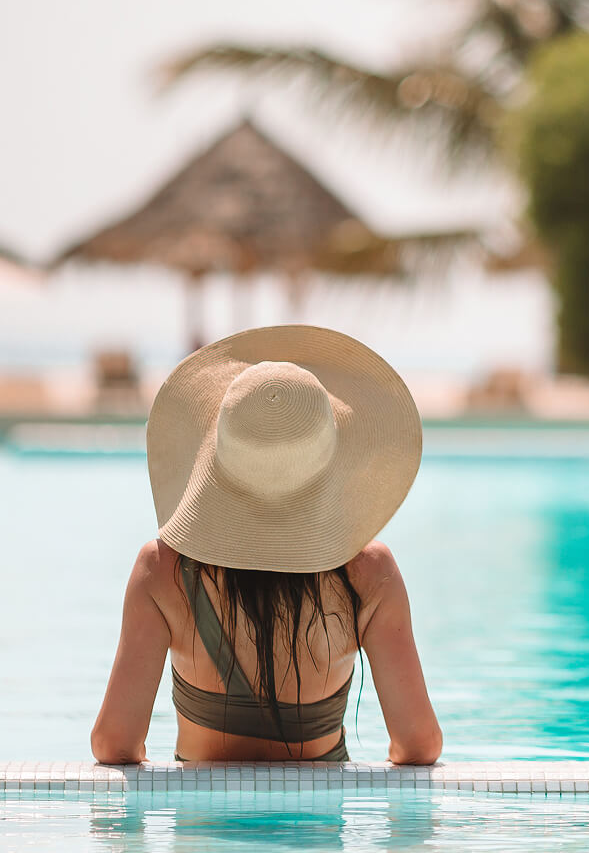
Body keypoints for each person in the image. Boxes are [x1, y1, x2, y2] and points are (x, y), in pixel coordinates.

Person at [91, 325, 442, 765]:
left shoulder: (162, 571)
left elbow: (113, 744)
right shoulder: (369, 575)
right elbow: (419, 745)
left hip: (204, 834)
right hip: (314, 832)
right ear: (330, 458)